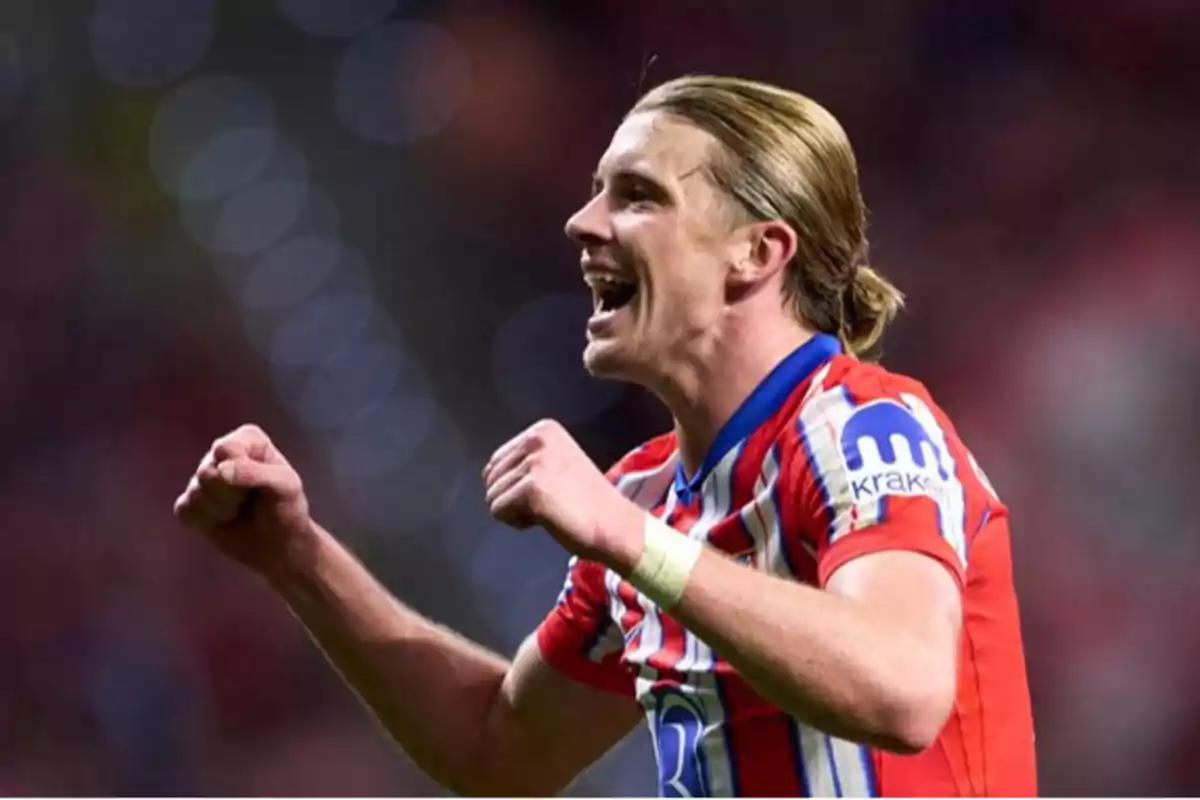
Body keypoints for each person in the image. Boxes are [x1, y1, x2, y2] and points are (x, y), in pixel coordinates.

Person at [175, 75, 1036, 797]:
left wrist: (632, 541)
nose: (582, 224)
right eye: (597, 193)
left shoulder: (863, 428)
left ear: (757, 252)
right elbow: (499, 748)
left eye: (637, 196)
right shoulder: (654, 493)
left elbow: (904, 689)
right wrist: (296, 557)